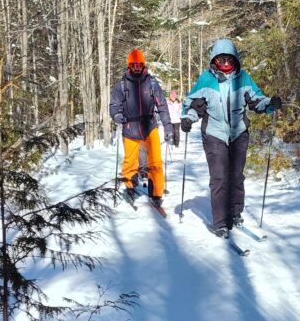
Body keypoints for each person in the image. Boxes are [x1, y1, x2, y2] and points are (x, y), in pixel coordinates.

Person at [180, 38, 280, 237]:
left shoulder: (243, 78)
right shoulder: (206, 80)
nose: (225, 65)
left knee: (236, 175)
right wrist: (188, 119)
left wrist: (270, 104)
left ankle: (235, 212)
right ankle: (221, 221)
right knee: (219, 177)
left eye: (229, 60)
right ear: (214, 61)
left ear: (235, 60)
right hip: (214, 134)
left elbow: (256, 100)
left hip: (238, 133)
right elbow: (193, 104)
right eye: (221, 60)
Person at [110, 48, 171, 206]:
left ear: (143, 65)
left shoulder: (151, 83)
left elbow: (162, 106)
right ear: (129, 66)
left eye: (139, 65)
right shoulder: (121, 85)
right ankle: (130, 187)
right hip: (130, 127)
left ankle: (156, 193)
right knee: (130, 162)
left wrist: (168, 127)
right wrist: (117, 116)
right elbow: (114, 106)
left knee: (155, 161)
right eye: (134, 65)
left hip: (150, 126)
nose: (137, 68)